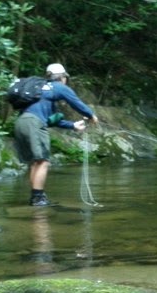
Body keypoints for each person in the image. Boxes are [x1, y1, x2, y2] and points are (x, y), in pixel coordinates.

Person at [14, 63, 99, 206]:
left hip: (21, 123)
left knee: (36, 162)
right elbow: (75, 102)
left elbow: (52, 119)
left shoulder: (40, 90)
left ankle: (36, 197)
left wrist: (73, 125)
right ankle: (38, 198)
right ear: (62, 77)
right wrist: (91, 115)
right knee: (43, 161)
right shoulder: (58, 86)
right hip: (34, 124)